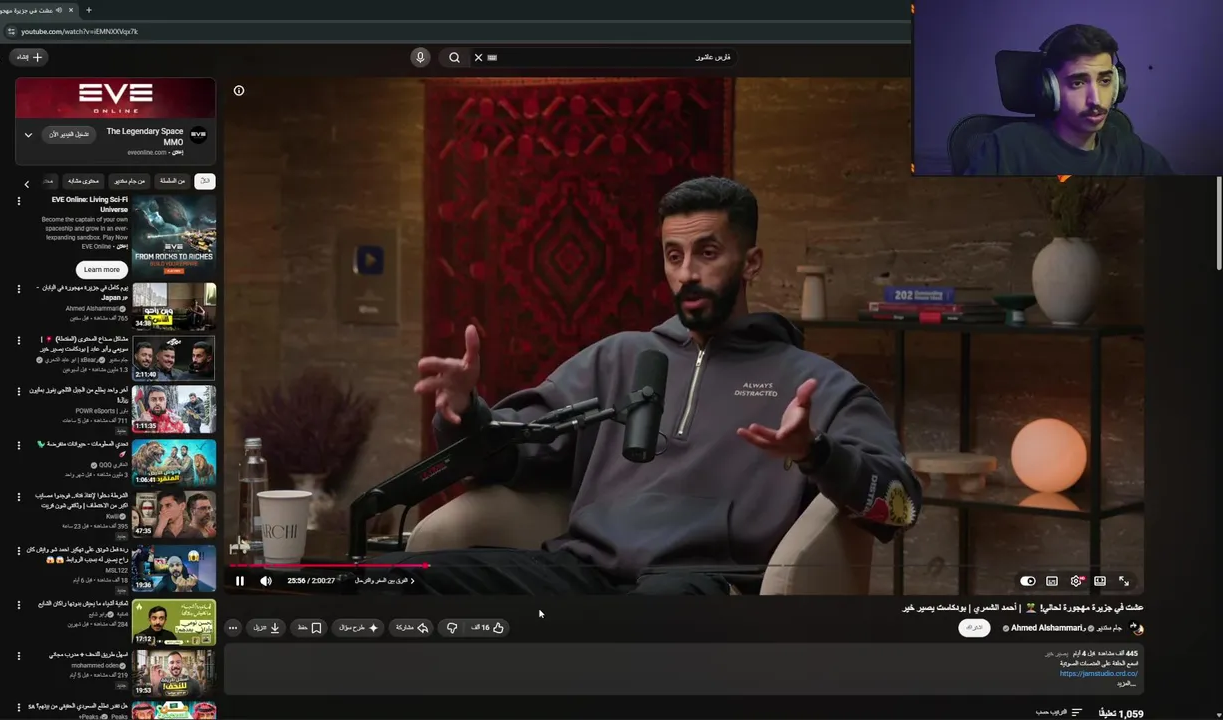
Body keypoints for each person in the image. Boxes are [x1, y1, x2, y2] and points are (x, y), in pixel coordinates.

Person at [367, 176, 922, 595]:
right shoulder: (619, 357)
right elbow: (515, 454)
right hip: (581, 573)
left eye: (707, 253)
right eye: (673, 256)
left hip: (699, 585)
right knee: (384, 580)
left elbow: (900, 510)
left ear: (751, 263)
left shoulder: (815, 383)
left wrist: (816, 453)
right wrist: (464, 412)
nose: (687, 273)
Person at [966, 25, 1173, 176]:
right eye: (1078, 83)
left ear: (1117, 86)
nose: (1096, 100)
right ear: (1050, 89)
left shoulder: (1131, 150)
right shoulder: (1005, 149)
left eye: (1105, 81)